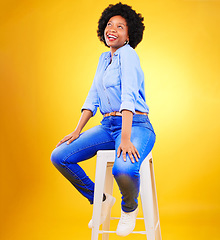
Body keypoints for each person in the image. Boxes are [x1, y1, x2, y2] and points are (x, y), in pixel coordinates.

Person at [51, 2, 156, 237]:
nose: (113, 29)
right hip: (107, 127)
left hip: (136, 125)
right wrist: (77, 130)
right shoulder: (103, 58)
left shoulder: (128, 55)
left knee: (124, 170)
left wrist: (126, 138)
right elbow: (93, 96)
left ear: (129, 35)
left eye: (120, 27)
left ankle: (129, 208)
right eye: (110, 24)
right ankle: (100, 198)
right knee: (60, 156)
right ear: (103, 28)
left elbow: (128, 96)